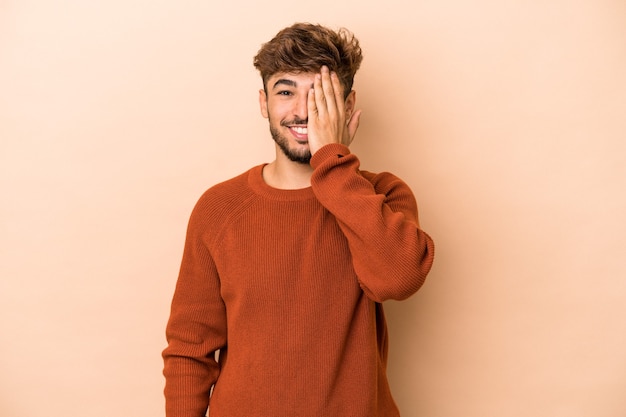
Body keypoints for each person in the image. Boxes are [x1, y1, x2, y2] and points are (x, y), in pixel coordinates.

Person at [162, 22, 435, 417]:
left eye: (321, 95)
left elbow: (398, 278)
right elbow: (189, 350)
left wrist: (334, 164)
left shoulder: (383, 195)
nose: (303, 111)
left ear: (347, 102)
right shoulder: (219, 208)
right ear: (263, 103)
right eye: (286, 92)